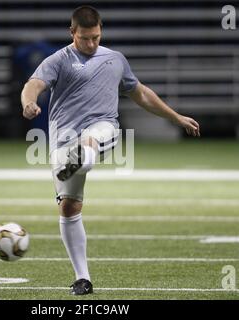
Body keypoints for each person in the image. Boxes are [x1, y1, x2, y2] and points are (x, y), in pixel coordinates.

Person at [21, 5, 200, 295]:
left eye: (96, 37)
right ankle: (83, 278)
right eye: (85, 38)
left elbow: (140, 92)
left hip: (103, 127)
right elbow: (34, 84)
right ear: (72, 33)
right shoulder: (58, 60)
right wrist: (28, 103)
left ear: (101, 32)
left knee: (92, 140)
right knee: (69, 207)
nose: (91, 44)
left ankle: (81, 157)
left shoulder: (115, 59)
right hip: (63, 139)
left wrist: (176, 117)